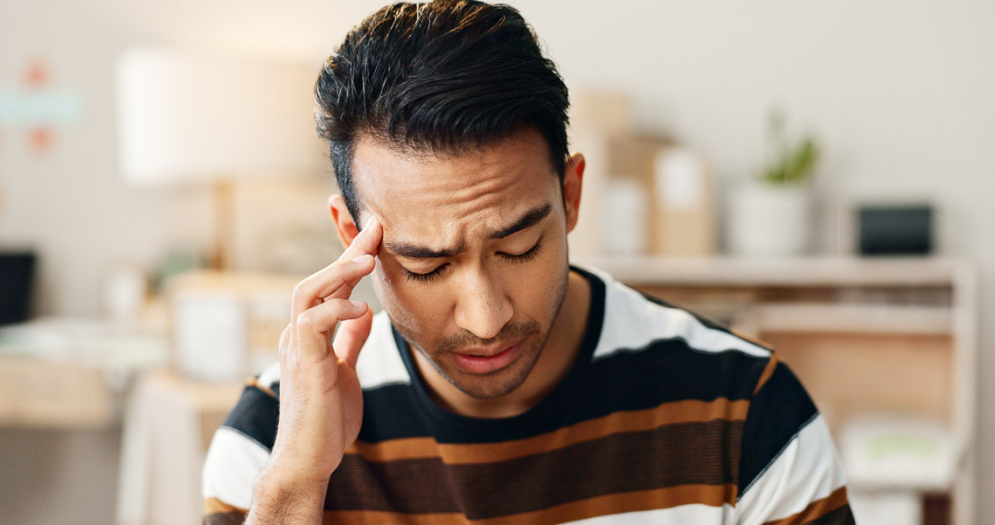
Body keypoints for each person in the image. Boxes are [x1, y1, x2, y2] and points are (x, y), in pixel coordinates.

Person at [202, 1, 856, 523]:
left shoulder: (745, 412)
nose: (485, 318)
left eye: (517, 247)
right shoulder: (273, 440)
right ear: (352, 237)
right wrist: (295, 490)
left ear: (570, 195)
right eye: (427, 266)